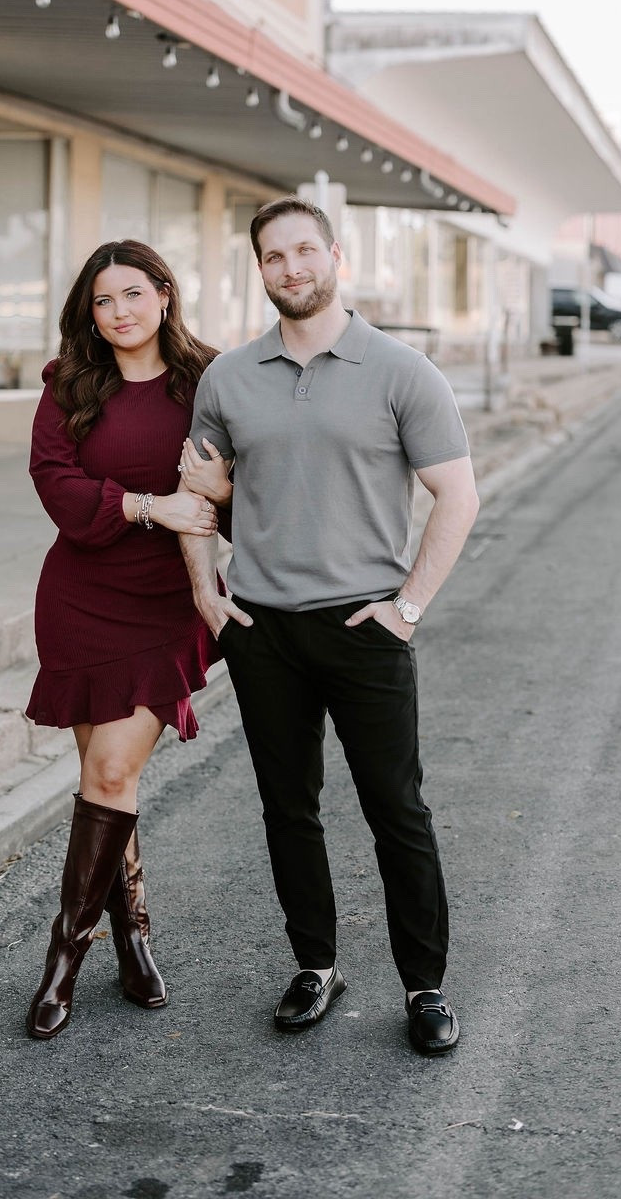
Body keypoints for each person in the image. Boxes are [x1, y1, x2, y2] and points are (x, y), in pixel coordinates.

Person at [178, 197, 480, 1056]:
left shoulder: (400, 370)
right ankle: (316, 964)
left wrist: (407, 608)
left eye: (305, 251)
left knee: (398, 810)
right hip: (264, 628)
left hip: (365, 630)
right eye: (274, 257)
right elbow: (196, 495)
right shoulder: (229, 377)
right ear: (261, 269)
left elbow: (456, 496)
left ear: (336, 256)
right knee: (289, 808)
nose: (291, 268)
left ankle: (425, 987)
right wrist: (206, 592)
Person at [24, 239, 231, 1040]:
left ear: (166, 297)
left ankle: (62, 962)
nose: (118, 313)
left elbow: (243, 483)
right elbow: (54, 479)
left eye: (133, 295)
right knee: (107, 782)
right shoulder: (70, 381)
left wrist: (215, 500)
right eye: (103, 301)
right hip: (81, 595)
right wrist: (150, 506)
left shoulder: (208, 379)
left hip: (165, 603)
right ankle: (134, 935)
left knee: (111, 770)